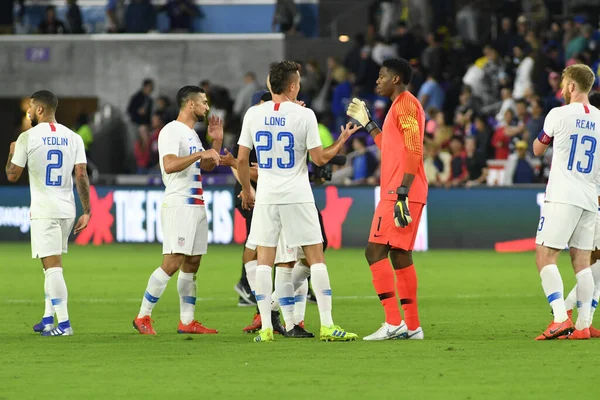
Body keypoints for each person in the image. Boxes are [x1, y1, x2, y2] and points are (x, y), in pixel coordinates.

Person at [237, 61, 359, 342]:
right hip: (297, 195)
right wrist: (340, 141)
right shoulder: (304, 115)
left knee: (265, 260)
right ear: (292, 86)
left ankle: (267, 327)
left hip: (266, 195)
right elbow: (319, 159)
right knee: (315, 257)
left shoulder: (253, 115)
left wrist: (247, 189)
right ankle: (328, 325)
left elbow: (243, 159)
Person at [346, 58, 427, 340]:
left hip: (399, 192)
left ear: (395, 79)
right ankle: (413, 326)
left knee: (374, 251)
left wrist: (403, 190)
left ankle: (393, 322)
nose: (376, 80)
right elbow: (392, 147)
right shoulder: (400, 106)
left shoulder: (405, 104)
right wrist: (369, 124)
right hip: (401, 190)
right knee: (399, 253)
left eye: (381, 76)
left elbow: (415, 148)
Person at [132, 86, 222, 335]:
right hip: (179, 203)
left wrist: (216, 141)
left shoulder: (191, 134)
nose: (207, 107)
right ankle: (143, 316)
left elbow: (207, 164)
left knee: (192, 263)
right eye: (204, 102)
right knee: (172, 262)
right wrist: (200, 153)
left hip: (196, 203)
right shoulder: (172, 130)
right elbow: (169, 165)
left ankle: (187, 321)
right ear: (190, 104)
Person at [5, 90, 90, 336]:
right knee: (49, 265)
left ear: (40, 110)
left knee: (52, 267)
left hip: (45, 211)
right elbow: (81, 175)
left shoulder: (27, 138)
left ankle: (64, 324)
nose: (28, 111)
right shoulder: (73, 137)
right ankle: (47, 318)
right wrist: (87, 210)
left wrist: (12, 151)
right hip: (67, 210)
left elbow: (12, 175)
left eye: (31, 107)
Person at [532, 64, 600, 340]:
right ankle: (583, 325)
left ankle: (560, 318)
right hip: (589, 198)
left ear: (572, 86)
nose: (562, 88)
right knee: (582, 263)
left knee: (545, 255)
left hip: (562, 195)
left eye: (564, 83)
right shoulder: (599, 117)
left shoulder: (558, 114)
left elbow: (538, 149)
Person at [562, 90, 600, 338]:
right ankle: (567, 315)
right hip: (593, 206)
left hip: (585, 203)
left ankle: (583, 321)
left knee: (595, 269)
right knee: (593, 268)